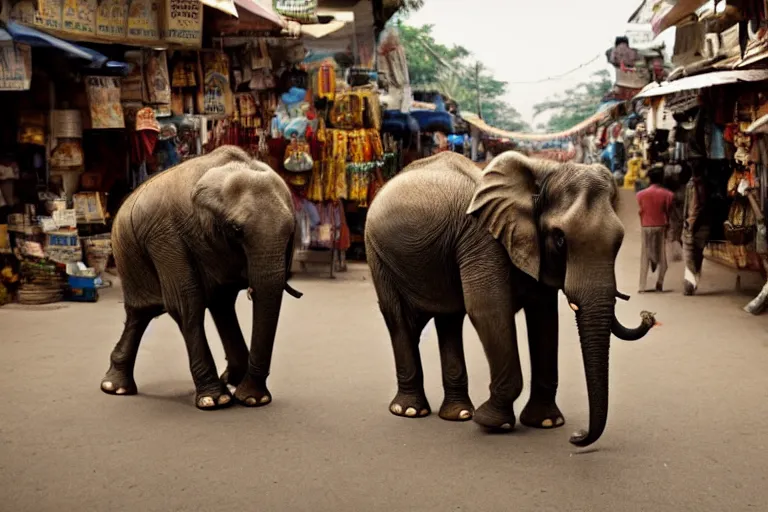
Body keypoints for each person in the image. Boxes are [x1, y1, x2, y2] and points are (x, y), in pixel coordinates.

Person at [636, 164, 674, 292]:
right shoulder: (668, 194)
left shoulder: (640, 195)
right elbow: (668, 211)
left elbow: (641, 211)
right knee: (662, 255)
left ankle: (642, 286)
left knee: (645, 255)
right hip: (661, 225)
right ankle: (660, 282)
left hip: (646, 226)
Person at [682, 162, 709, 296]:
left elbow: (694, 208)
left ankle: (690, 285)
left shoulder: (694, 185)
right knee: (696, 255)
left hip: (694, 226)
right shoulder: (702, 184)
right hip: (702, 227)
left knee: (689, 256)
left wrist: (690, 225)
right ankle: (693, 282)